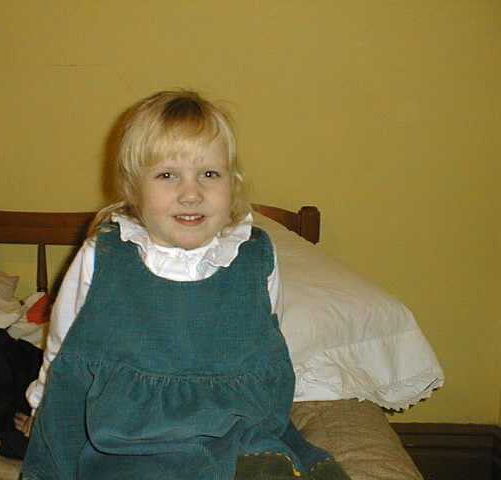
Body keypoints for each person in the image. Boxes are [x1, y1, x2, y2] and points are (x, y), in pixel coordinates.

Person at [19, 90, 349, 479]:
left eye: (209, 174)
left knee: (270, 463)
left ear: (233, 183)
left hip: (234, 421)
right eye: (167, 175)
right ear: (133, 189)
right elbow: (65, 347)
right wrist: (41, 407)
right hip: (128, 430)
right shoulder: (104, 255)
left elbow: (266, 341)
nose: (191, 194)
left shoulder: (254, 255)